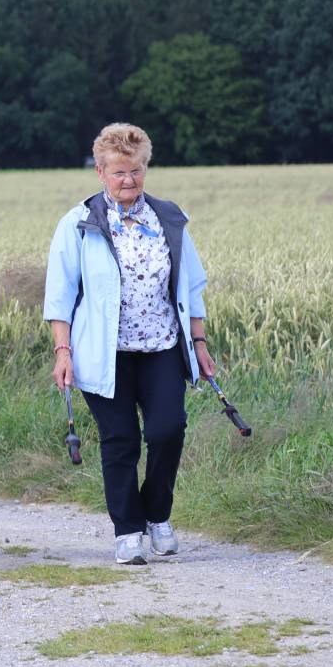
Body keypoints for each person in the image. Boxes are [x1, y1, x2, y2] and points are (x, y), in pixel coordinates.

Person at [43, 123, 214, 565]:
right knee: (120, 440)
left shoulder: (169, 218)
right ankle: (128, 531)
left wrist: (198, 341)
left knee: (168, 430)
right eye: (118, 172)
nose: (128, 180)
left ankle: (157, 516)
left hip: (161, 347)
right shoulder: (79, 223)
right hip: (105, 354)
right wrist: (63, 351)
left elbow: (191, 285)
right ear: (100, 172)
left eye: (136, 171)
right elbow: (59, 294)